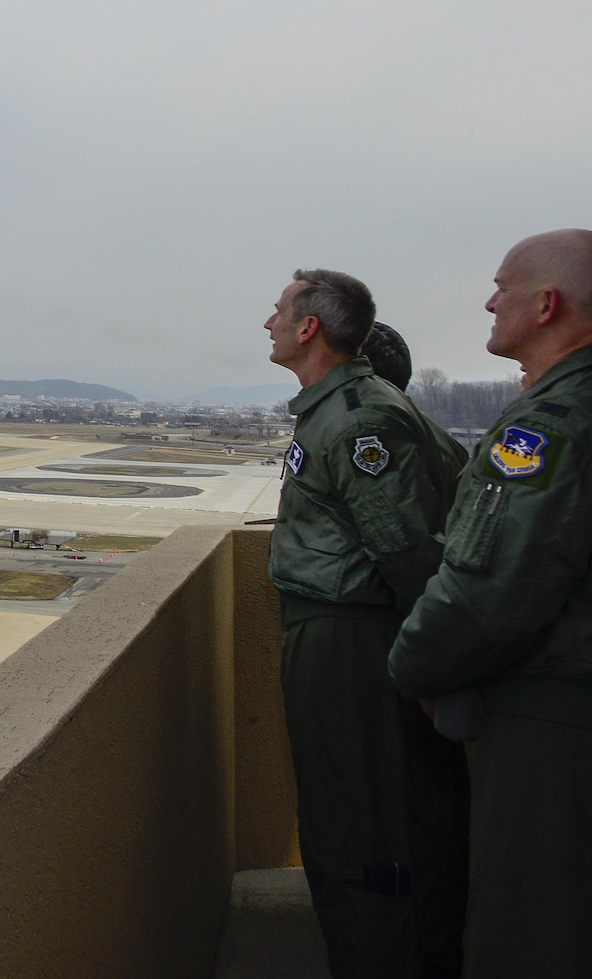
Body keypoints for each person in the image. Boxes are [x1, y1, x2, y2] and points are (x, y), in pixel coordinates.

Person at [391, 230, 592, 978]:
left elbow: (492, 586)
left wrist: (411, 665)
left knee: (530, 930)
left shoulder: (550, 424)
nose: (488, 298)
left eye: (502, 285)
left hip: (553, 717)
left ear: (547, 304)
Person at [263, 268, 471, 979]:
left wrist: (432, 664)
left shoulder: (360, 419)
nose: (268, 322)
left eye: (279, 310)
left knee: (363, 827)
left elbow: (407, 552)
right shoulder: (334, 411)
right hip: (338, 636)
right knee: (344, 818)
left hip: (354, 642)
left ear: (310, 326)